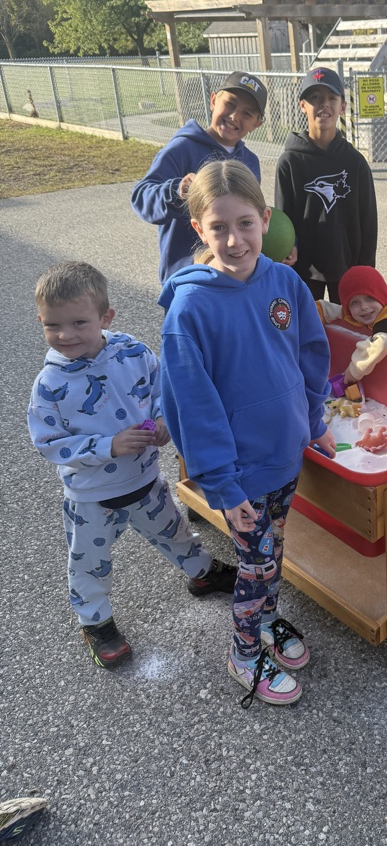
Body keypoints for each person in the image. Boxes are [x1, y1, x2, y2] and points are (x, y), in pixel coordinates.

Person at [158, 160, 335, 707]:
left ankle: (266, 621)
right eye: (219, 228)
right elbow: (192, 405)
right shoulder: (190, 308)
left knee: (274, 550)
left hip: (284, 458)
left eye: (245, 224)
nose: (234, 241)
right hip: (240, 474)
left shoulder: (284, 282)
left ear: (264, 219)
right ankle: (241, 651)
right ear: (199, 231)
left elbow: (309, 356)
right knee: (255, 562)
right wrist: (223, 487)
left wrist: (315, 421)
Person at [28, 262, 236, 670]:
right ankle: (96, 622)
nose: (66, 335)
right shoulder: (49, 385)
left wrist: (163, 422)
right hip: (92, 498)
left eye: (79, 322)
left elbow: (164, 391)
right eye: (53, 326)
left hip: (144, 479)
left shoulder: (133, 352)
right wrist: (108, 445)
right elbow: (48, 444)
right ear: (41, 322)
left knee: (174, 531)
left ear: (106, 317)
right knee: (89, 562)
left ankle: (202, 573)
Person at [131, 71, 267, 283]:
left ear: (257, 124)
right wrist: (176, 190)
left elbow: (253, 217)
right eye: (229, 104)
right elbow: (141, 197)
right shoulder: (182, 148)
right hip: (188, 277)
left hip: (235, 276)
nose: (234, 116)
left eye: (247, 114)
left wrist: (285, 243)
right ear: (213, 100)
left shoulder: (250, 162)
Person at [275, 66, 377, 303]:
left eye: (332, 98)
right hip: (305, 270)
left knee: (350, 333)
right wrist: (287, 258)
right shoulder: (290, 161)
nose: (324, 105)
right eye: (315, 98)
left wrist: (366, 271)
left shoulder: (355, 162)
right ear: (303, 105)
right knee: (310, 333)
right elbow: (284, 222)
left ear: (343, 106)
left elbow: (368, 222)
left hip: (347, 268)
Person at [316, 265, 387, 388]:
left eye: (370, 298)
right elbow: (322, 308)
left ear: (382, 297)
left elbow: (381, 343)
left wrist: (353, 372)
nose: (364, 307)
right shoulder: (349, 314)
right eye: (355, 302)